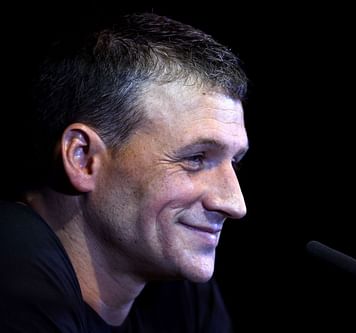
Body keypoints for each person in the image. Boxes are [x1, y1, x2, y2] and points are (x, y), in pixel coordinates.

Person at [0, 11, 249, 332]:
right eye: (197, 158)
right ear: (83, 158)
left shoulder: (177, 286)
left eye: (235, 163)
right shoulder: (11, 263)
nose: (235, 204)